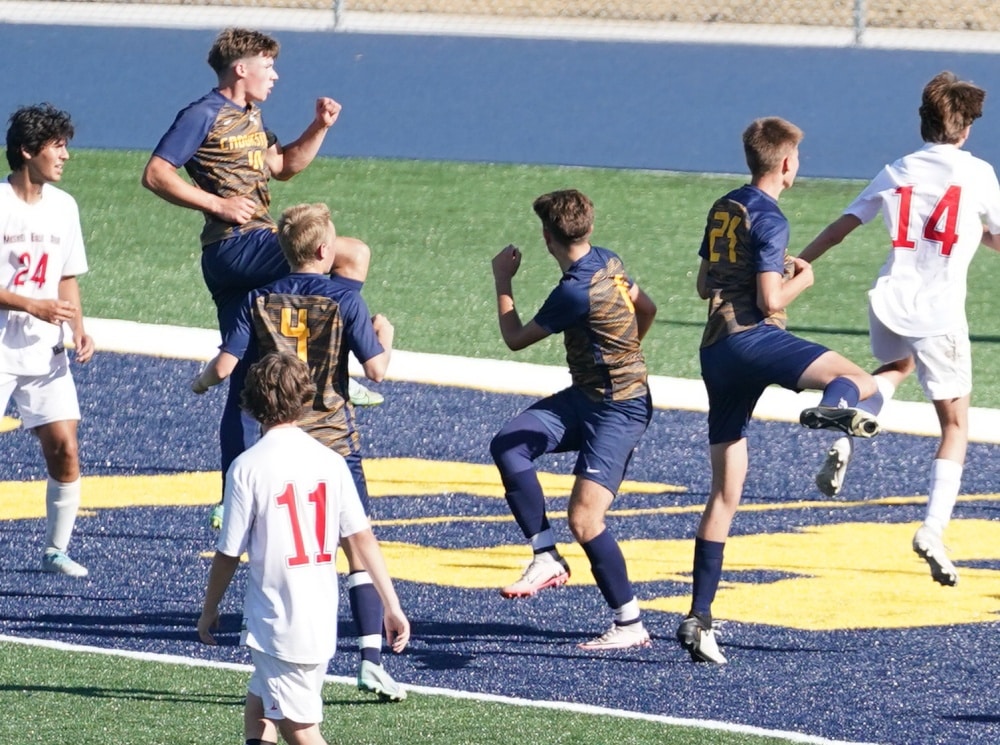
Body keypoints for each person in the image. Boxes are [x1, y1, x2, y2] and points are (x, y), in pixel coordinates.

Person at [141, 27, 381, 530]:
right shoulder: (201, 114)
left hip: (237, 262)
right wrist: (218, 204)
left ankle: (231, 497)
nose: (275, 73)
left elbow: (284, 166)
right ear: (241, 69)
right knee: (350, 254)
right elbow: (157, 173)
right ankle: (338, 360)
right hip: (237, 245)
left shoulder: (252, 117)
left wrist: (318, 127)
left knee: (245, 375)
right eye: (267, 65)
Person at [679, 117, 882, 665]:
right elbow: (771, 302)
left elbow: (704, 285)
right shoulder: (771, 216)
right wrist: (803, 279)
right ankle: (832, 413)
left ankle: (699, 619)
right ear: (787, 163)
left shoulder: (724, 205)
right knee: (858, 381)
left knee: (724, 495)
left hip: (715, 353)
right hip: (753, 340)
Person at [191, 202, 404, 700]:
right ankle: (370, 658)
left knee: (277, 546)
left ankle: (270, 651)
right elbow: (376, 372)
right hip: (332, 436)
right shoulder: (344, 300)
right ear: (326, 250)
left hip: (278, 436)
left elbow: (224, 365)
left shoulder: (257, 298)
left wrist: (199, 384)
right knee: (356, 542)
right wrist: (386, 337)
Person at [799, 71, 1000, 587]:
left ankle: (849, 435)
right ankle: (933, 529)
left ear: (923, 122)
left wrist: (802, 259)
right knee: (955, 426)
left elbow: (845, 224)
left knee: (896, 365)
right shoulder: (979, 175)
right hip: (939, 314)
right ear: (966, 128)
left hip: (888, 301)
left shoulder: (898, 169)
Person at [197, 351, 409, 744]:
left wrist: (210, 609)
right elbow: (362, 538)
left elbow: (229, 553)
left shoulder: (247, 467)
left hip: (278, 621)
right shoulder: (331, 461)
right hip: (318, 616)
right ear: (306, 398)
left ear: (252, 403)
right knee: (259, 703)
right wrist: (391, 606)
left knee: (301, 731)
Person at [488, 189, 658, 651]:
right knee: (509, 443)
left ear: (547, 237)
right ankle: (546, 556)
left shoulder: (572, 292)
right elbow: (648, 309)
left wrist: (502, 280)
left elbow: (516, 338)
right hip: (588, 398)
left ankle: (630, 623)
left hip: (618, 410)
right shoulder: (610, 261)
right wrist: (630, 351)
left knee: (585, 520)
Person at [0, 103, 94, 578]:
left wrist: (77, 326)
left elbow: (66, 275)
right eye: (57, 146)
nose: (65, 156)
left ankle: (56, 549)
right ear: (27, 150)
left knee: (65, 447)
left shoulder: (65, 206)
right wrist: (31, 305)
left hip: (45, 349)